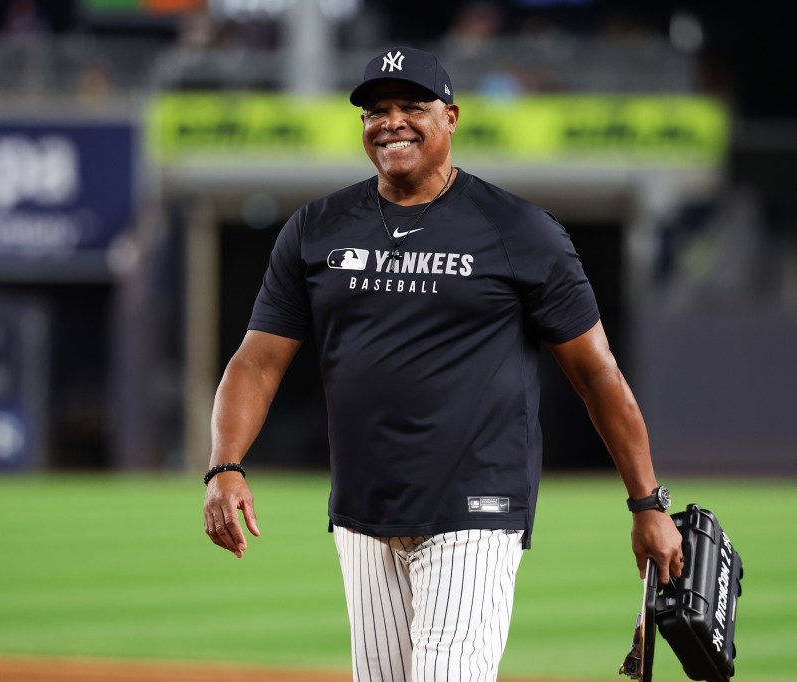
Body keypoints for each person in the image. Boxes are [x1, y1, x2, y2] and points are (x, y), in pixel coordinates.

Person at [202, 46, 683, 682]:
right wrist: (225, 465)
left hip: (476, 510)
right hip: (363, 514)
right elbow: (257, 362)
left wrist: (647, 502)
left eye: (412, 106)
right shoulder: (316, 229)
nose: (391, 120)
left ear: (450, 117)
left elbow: (597, 375)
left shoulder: (520, 230)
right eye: (377, 110)